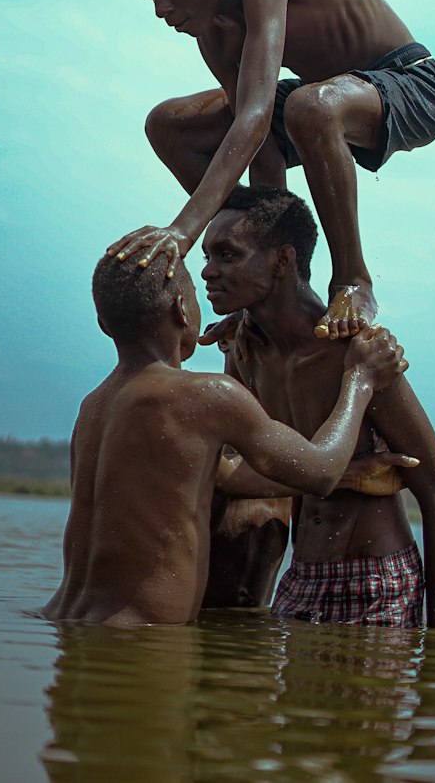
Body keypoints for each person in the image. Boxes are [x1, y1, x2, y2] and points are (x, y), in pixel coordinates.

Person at [109, 0, 435, 338]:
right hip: (323, 100)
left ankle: (352, 279)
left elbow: (254, 118)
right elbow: (262, 149)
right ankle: (276, 284)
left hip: (410, 84)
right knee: (167, 126)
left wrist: (182, 230)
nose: (161, 8)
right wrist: (267, 279)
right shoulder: (214, 38)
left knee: (309, 108)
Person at [42, 246, 409, 627]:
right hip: (138, 643)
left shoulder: (94, 406)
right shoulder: (206, 395)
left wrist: (351, 473)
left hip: (64, 620)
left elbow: (223, 476)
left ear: (103, 324)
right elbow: (320, 471)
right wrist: (360, 380)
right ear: (184, 310)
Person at [200, 185, 435, 628]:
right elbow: (221, 474)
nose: (207, 271)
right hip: (301, 579)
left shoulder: (358, 355)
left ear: (283, 261)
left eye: (227, 255)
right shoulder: (247, 352)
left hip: (376, 580)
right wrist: (343, 474)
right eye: (207, 255)